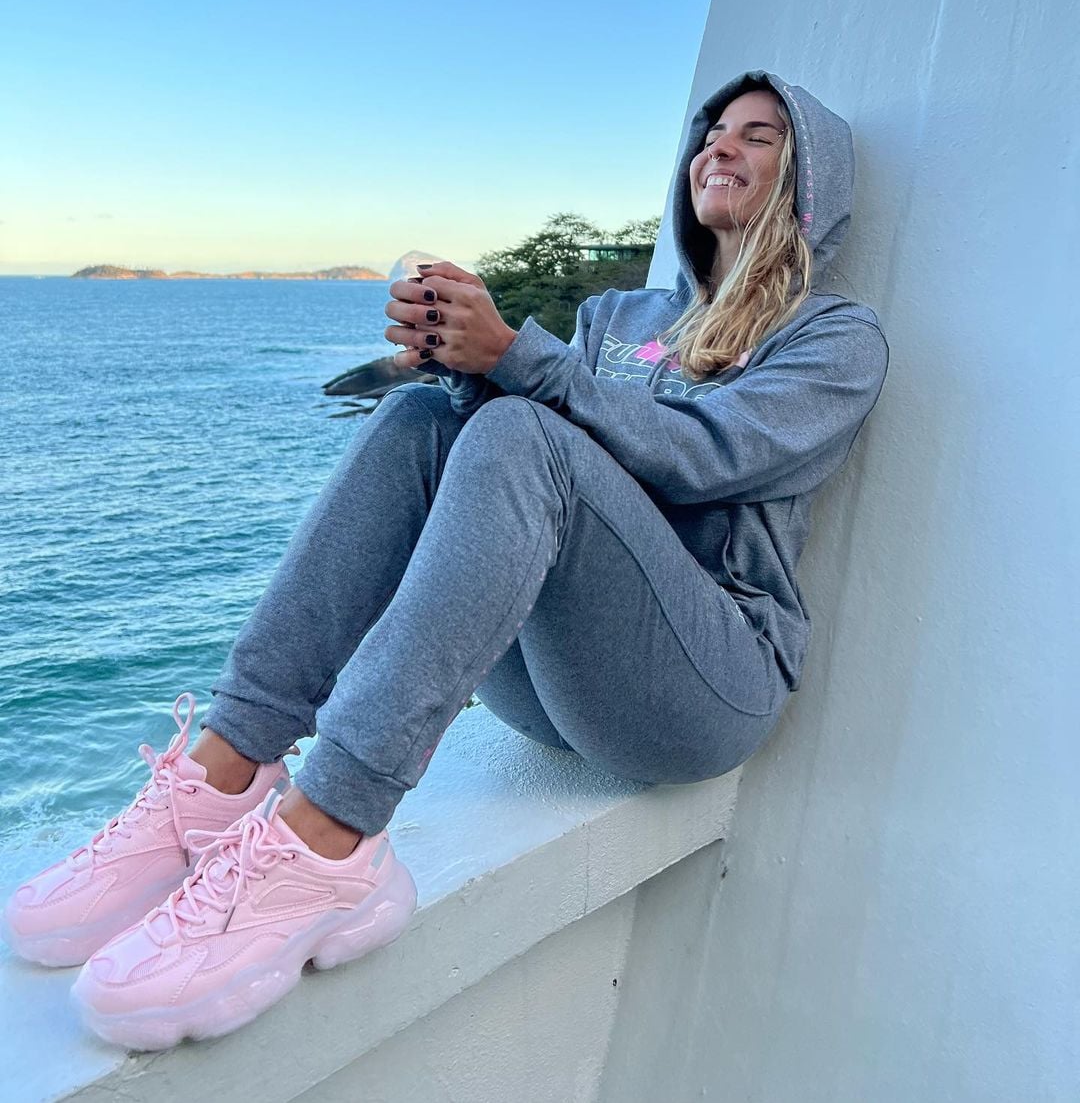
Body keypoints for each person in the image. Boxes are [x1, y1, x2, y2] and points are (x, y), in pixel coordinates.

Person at [2, 70, 889, 1051]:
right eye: (713, 129)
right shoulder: (617, 316)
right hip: (552, 678)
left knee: (520, 429)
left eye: (759, 135)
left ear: (810, 179)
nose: (720, 144)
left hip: (699, 686)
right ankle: (224, 770)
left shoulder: (834, 337)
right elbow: (544, 467)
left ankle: (330, 836)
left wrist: (518, 357)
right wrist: (464, 365)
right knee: (426, 414)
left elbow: (705, 457)